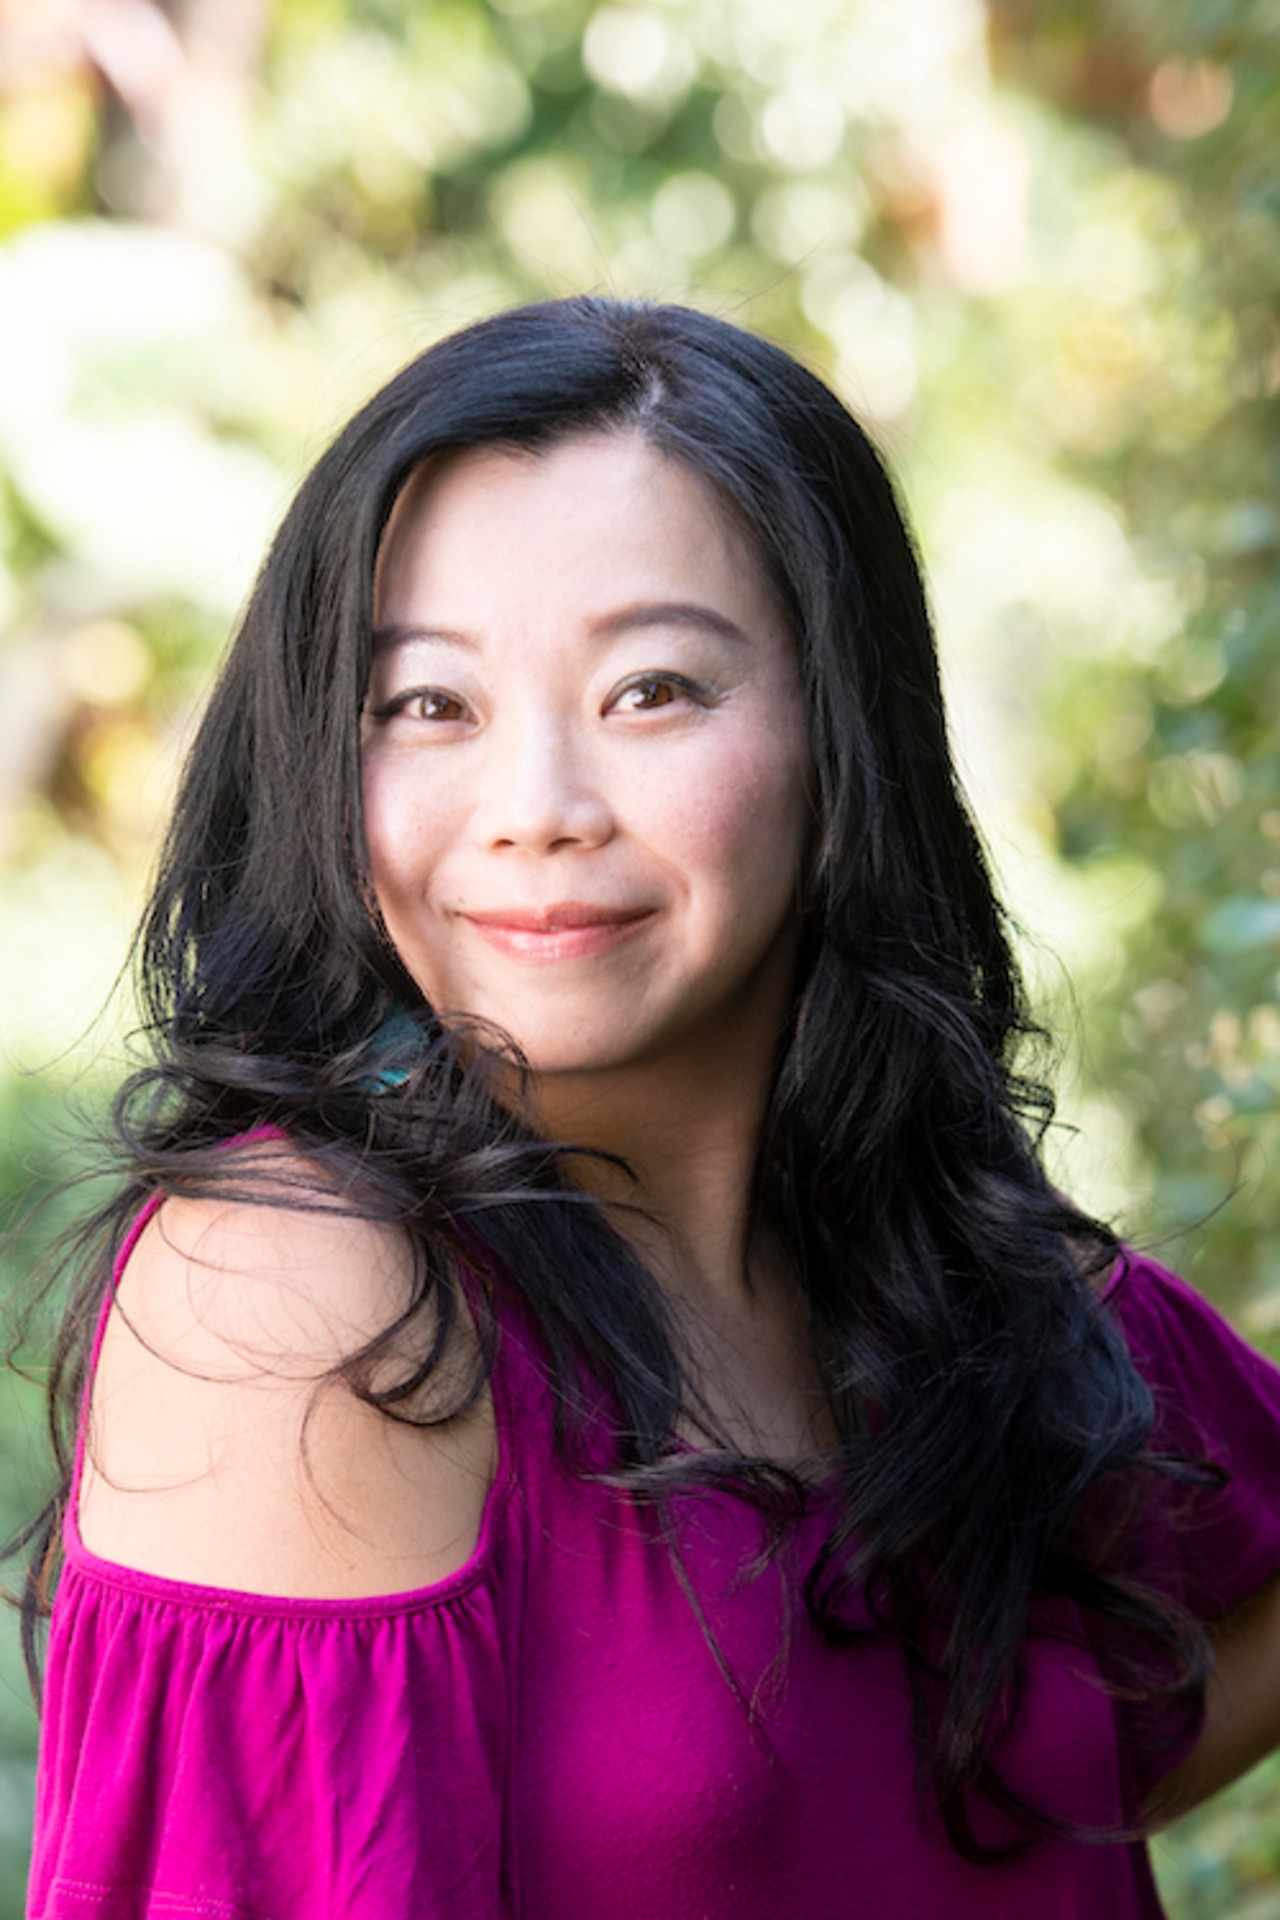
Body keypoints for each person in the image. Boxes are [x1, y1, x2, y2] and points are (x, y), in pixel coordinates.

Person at [17, 296, 1280, 1920]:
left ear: (841, 731)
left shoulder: (952, 1270)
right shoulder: (302, 1296)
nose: (536, 809)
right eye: (427, 704)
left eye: (653, 689)